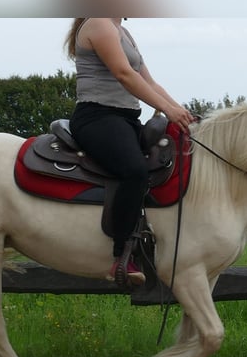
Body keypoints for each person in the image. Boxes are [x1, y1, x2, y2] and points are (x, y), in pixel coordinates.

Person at [65, 18, 194, 287]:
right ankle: (120, 255)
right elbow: (124, 74)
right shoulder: (98, 24)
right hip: (97, 118)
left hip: (125, 119)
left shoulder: (123, 33)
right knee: (134, 171)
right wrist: (167, 110)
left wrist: (183, 115)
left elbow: (151, 84)